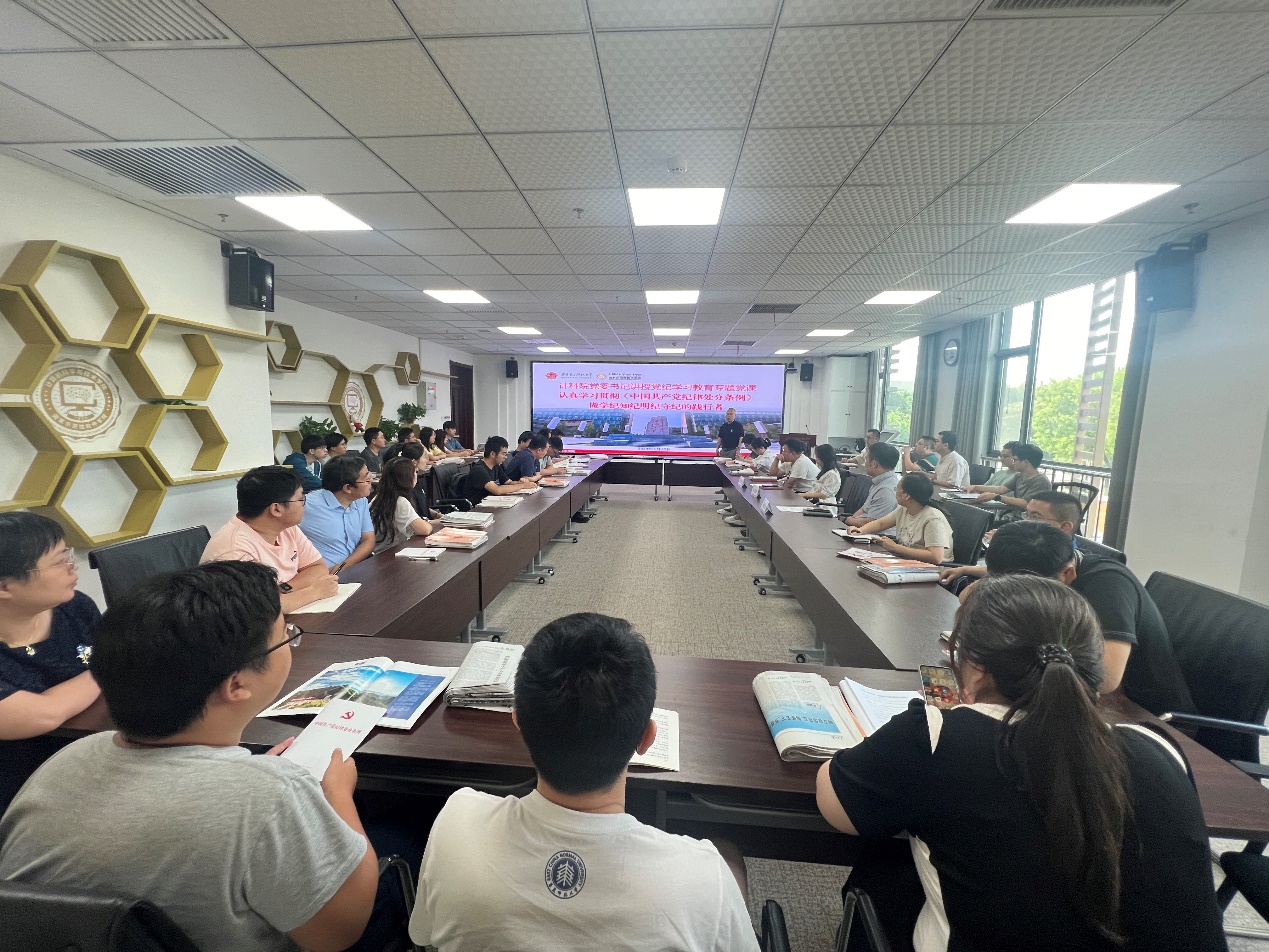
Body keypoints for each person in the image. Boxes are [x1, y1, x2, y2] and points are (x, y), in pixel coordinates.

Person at [815, 574, 1226, 952]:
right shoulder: (1159, 747)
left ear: (976, 668)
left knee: (884, 863)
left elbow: (837, 805)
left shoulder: (935, 736)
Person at [0, 562, 382, 952]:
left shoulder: (66, 760)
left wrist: (254, 779)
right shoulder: (271, 795)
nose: (289, 640)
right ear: (237, 684)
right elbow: (338, 934)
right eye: (286, 634)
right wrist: (338, 796)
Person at [410, 613, 759, 952]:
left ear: (518, 722)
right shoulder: (705, 878)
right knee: (730, 856)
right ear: (647, 738)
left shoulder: (456, 821)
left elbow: (423, 934)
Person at [944, 520, 1193, 716]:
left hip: (1140, 712)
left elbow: (1106, 679)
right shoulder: (1047, 564)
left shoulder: (1108, 586)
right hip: (1056, 696)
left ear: (1068, 573)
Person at [0, 513, 102, 815]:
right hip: (22, 795)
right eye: (60, 561)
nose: (73, 566)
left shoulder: (74, 607)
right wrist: (109, 666)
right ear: (4, 586)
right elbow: (40, 715)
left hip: (89, 764)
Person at [202, 466, 339, 612]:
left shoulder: (286, 527)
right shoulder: (235, 550)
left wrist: (284, 589)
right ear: (276, 509)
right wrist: (314, 592)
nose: (303, 505)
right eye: (300, 499)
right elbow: (260, 609)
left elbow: (317, 567)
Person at [849, 472, 952, 564]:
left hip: (932, 569)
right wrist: (860, 531)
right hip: (909, 562)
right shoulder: (904, 509)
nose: (895, 492)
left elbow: (936, 557)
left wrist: (895, 548)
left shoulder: (933, 519)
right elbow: (881, 524)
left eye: (896, 489)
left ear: (906, 496)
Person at [300, 455, 376, 570]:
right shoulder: (306, 505)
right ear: (348, 488)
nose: (371, 481)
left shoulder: (360, 501)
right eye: (366, 479)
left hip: (353, 569)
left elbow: (368, 540)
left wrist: (343, 567)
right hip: (322, 574)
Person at [369, 458, 442, 554]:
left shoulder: (379, 497)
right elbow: (425, 530)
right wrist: (441, 521)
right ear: (407, 478)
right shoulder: (399, 501)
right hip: (389, 554)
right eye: (415, 472)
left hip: (380, 553)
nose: (416, 475)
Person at [975, 442, 1050, 516]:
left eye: (1015, 460)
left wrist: (996, 497)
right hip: (1015, 516)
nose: (1014, 463)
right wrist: (975, 487)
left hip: (1028, 519)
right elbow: (1001, 489)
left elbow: (1025, 503)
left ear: (1025, 462)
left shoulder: (1041, 481)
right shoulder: (1019, 476)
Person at [844, 442, 901, 534]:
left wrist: (848, 520)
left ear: (874, 463)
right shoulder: (880, 482)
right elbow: (864, 509)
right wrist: (853, 520)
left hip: (877, 537)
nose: (865, 463)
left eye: (866, 459)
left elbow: (872, 523)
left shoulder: (886, 490)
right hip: (863, 531)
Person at [460, 436, 532, 506]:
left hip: (490, 503)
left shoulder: (496, 466)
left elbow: (509, 482)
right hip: (476, 507)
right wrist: (522, 486)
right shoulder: (479, 469)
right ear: (492, 454)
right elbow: (497, 490)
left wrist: (522, 482)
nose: (505, 457)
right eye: (503, 454)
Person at [396, 443, 443, 520]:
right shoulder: (405, 485)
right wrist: (442, 521)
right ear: (414, 462)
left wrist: (436, 515)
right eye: (424, 457)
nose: (427, 460)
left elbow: (422, 506)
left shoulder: (417, 481)